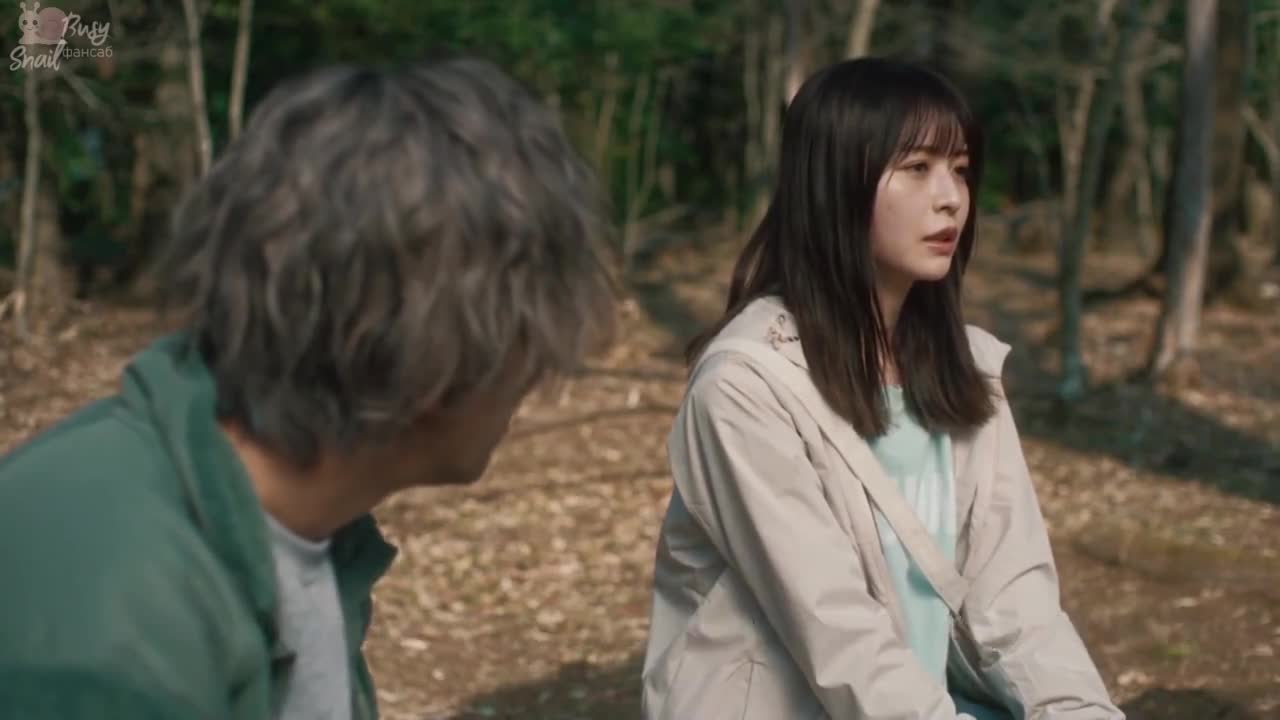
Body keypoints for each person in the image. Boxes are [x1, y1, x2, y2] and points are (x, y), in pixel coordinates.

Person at [0, 56, 615, 719]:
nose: (537, 373)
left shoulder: (299, 529)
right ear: (443, 355)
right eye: (528, 330)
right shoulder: (105, 610)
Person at [641, 57, 1123, 720]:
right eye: (917, 167)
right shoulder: (744, 387)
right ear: (835, 184)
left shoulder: (964, 370)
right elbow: (837, 635)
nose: (951, 197)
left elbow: (1014, 600)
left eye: (960, 168)